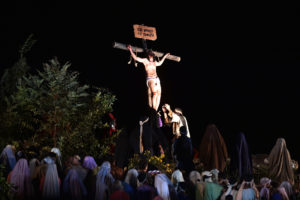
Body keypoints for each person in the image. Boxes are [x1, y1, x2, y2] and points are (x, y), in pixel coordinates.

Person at [127, 44, 170, 111]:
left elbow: (160, 63)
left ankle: (155, 109)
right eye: (149, 54)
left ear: (152, 56)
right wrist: (130, 50)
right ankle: (154, 110)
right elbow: (136, 58)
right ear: (148, 55)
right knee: (155, 93)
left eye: (151, 54)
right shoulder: (145, 61)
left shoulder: (155, 62)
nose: (150, 55)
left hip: (156, 79)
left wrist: (165, 56)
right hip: (150, 79)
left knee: (159, 94)